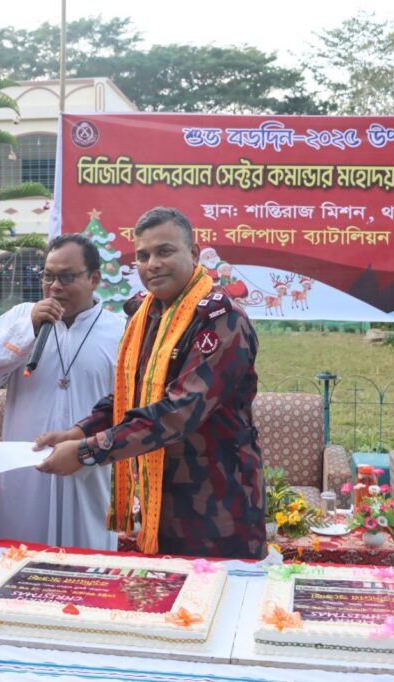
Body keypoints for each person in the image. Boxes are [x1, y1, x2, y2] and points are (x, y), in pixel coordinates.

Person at [36, 207, 265, 559]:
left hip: (218, 507)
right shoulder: (148, 314)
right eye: (143, 256)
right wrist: (79, 431)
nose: (152, 265)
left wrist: (87, 451)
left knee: (216, 593)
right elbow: (132, 393)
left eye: (164, 251)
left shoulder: (221, 321)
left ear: (193, 253)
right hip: (162, 498)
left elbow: (179, 411)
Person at [0, 234, 124, 550]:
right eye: (48, 276)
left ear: (94, 279)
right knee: (21, 558)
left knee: (85, 561)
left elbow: (126, 406)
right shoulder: (21, 317)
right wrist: (29, 329)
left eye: (67, 277)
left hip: (88, 467)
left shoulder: (120, 331)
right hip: (27, 469)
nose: (54, 287)